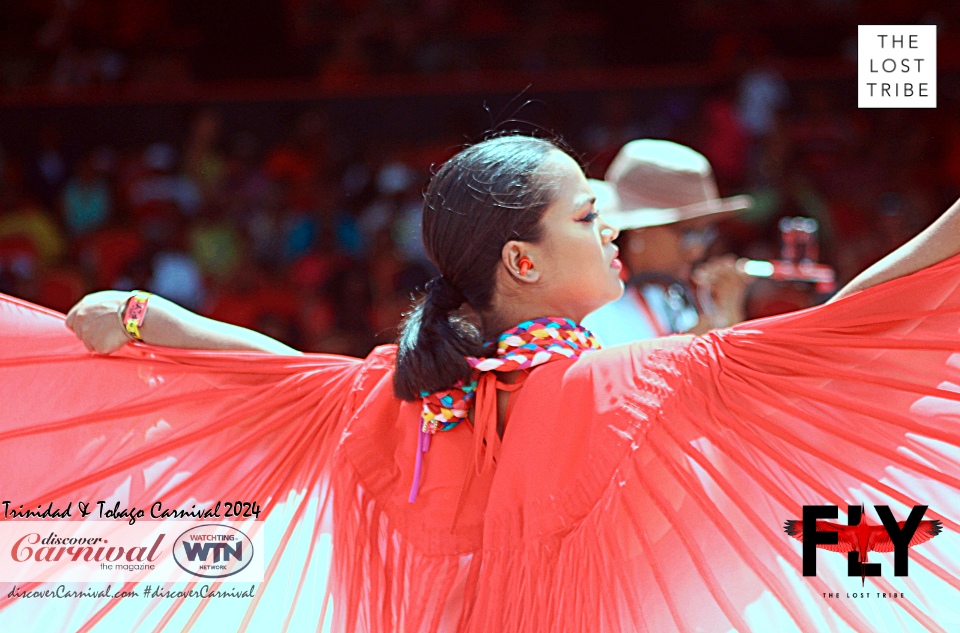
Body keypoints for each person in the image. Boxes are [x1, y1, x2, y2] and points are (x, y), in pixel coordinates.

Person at [1, 134, 960, 632]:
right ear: (523, 261)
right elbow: (853, 322)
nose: (612, 231)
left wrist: (140, 316)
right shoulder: (649, 382)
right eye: (589, 217)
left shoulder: (395, 395)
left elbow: (262, 366)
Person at [583, 139, 754, 345]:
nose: (697, 252)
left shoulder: (667, 293)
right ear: (640, 231)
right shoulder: (589, 304)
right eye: (688, 234)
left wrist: (726, 313)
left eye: (705, 234)